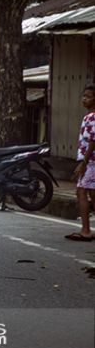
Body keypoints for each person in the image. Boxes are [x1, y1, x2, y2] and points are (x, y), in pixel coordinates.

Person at [65, 83, 95, 242]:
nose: (84, 99)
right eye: (83, 96)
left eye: (88, 97)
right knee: (91, 194)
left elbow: (93, 141)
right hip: (89, 161)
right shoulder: (88, 116)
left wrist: (84, 162)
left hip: (90, 162)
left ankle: (85, 230)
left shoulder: (92, 117)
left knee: (81, 192)